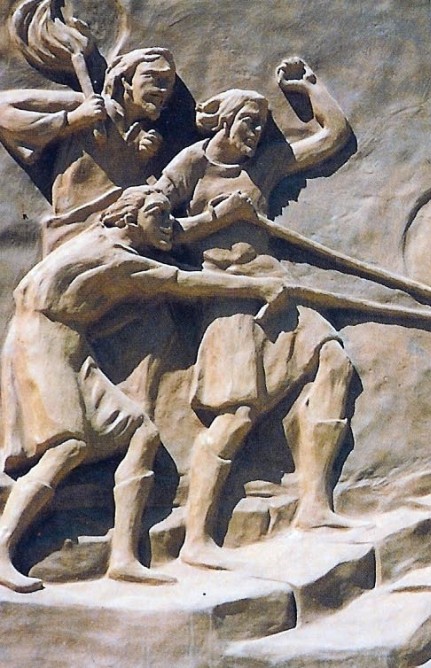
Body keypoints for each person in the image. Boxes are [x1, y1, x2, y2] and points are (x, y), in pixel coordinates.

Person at [0, 185, 284, 593]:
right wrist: (258, 287)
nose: (169, 224)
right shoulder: (118, 261)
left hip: (68, 348)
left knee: (140, 432)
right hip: (42, 347)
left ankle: (123, 558)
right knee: (68, 448)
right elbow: (183, 281)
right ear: (131, 218)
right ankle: (3, 547)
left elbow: (170, 239)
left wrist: (215, 219)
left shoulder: (100, 234)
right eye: (159, 215)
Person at [154, 58, 358, 568]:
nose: (255, 136)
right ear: (224, 121)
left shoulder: (260, 168)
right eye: (248, 124)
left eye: (262, 128)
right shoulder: (190, 166)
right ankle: (197, 539)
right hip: (229, 301)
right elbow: (151, 227)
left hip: (275, 295)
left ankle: (314, 504)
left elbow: (332, 138)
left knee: (333, 362)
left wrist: (310, 89)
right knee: (236, 417)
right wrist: (215, 218)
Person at [0, 48, 177, 253]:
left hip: (117, 235)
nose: (163, 89)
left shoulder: (142, 136)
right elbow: (3, 109)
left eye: (168, 82)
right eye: (153, 77)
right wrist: (73, 119)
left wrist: (141, 162)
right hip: (73, 234)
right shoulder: (90, 106)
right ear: (125, 81)